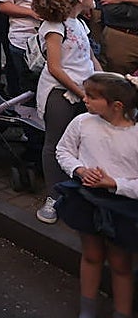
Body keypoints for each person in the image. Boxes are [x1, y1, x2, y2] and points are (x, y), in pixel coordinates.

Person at [55, 73, 138, 318]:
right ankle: (87, 310)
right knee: (91, 255)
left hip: (123, 207)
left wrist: (114, 183)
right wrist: (79, 170)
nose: (85, 99)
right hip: (87, 199)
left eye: (92, 97)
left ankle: (122, 312)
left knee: (121, 264)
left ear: (117, 105)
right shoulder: (83, 122)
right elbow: (63, 150)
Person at [32, 0, 101, 226]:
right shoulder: (55, 26)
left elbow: (91, 58)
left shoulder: (79, 23)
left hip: (85, 91)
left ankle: (80, 191)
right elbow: (55, 68)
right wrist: (81, 93)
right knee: (55, 143)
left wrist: (102, 85)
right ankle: (53, 196)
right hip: (60, 93)